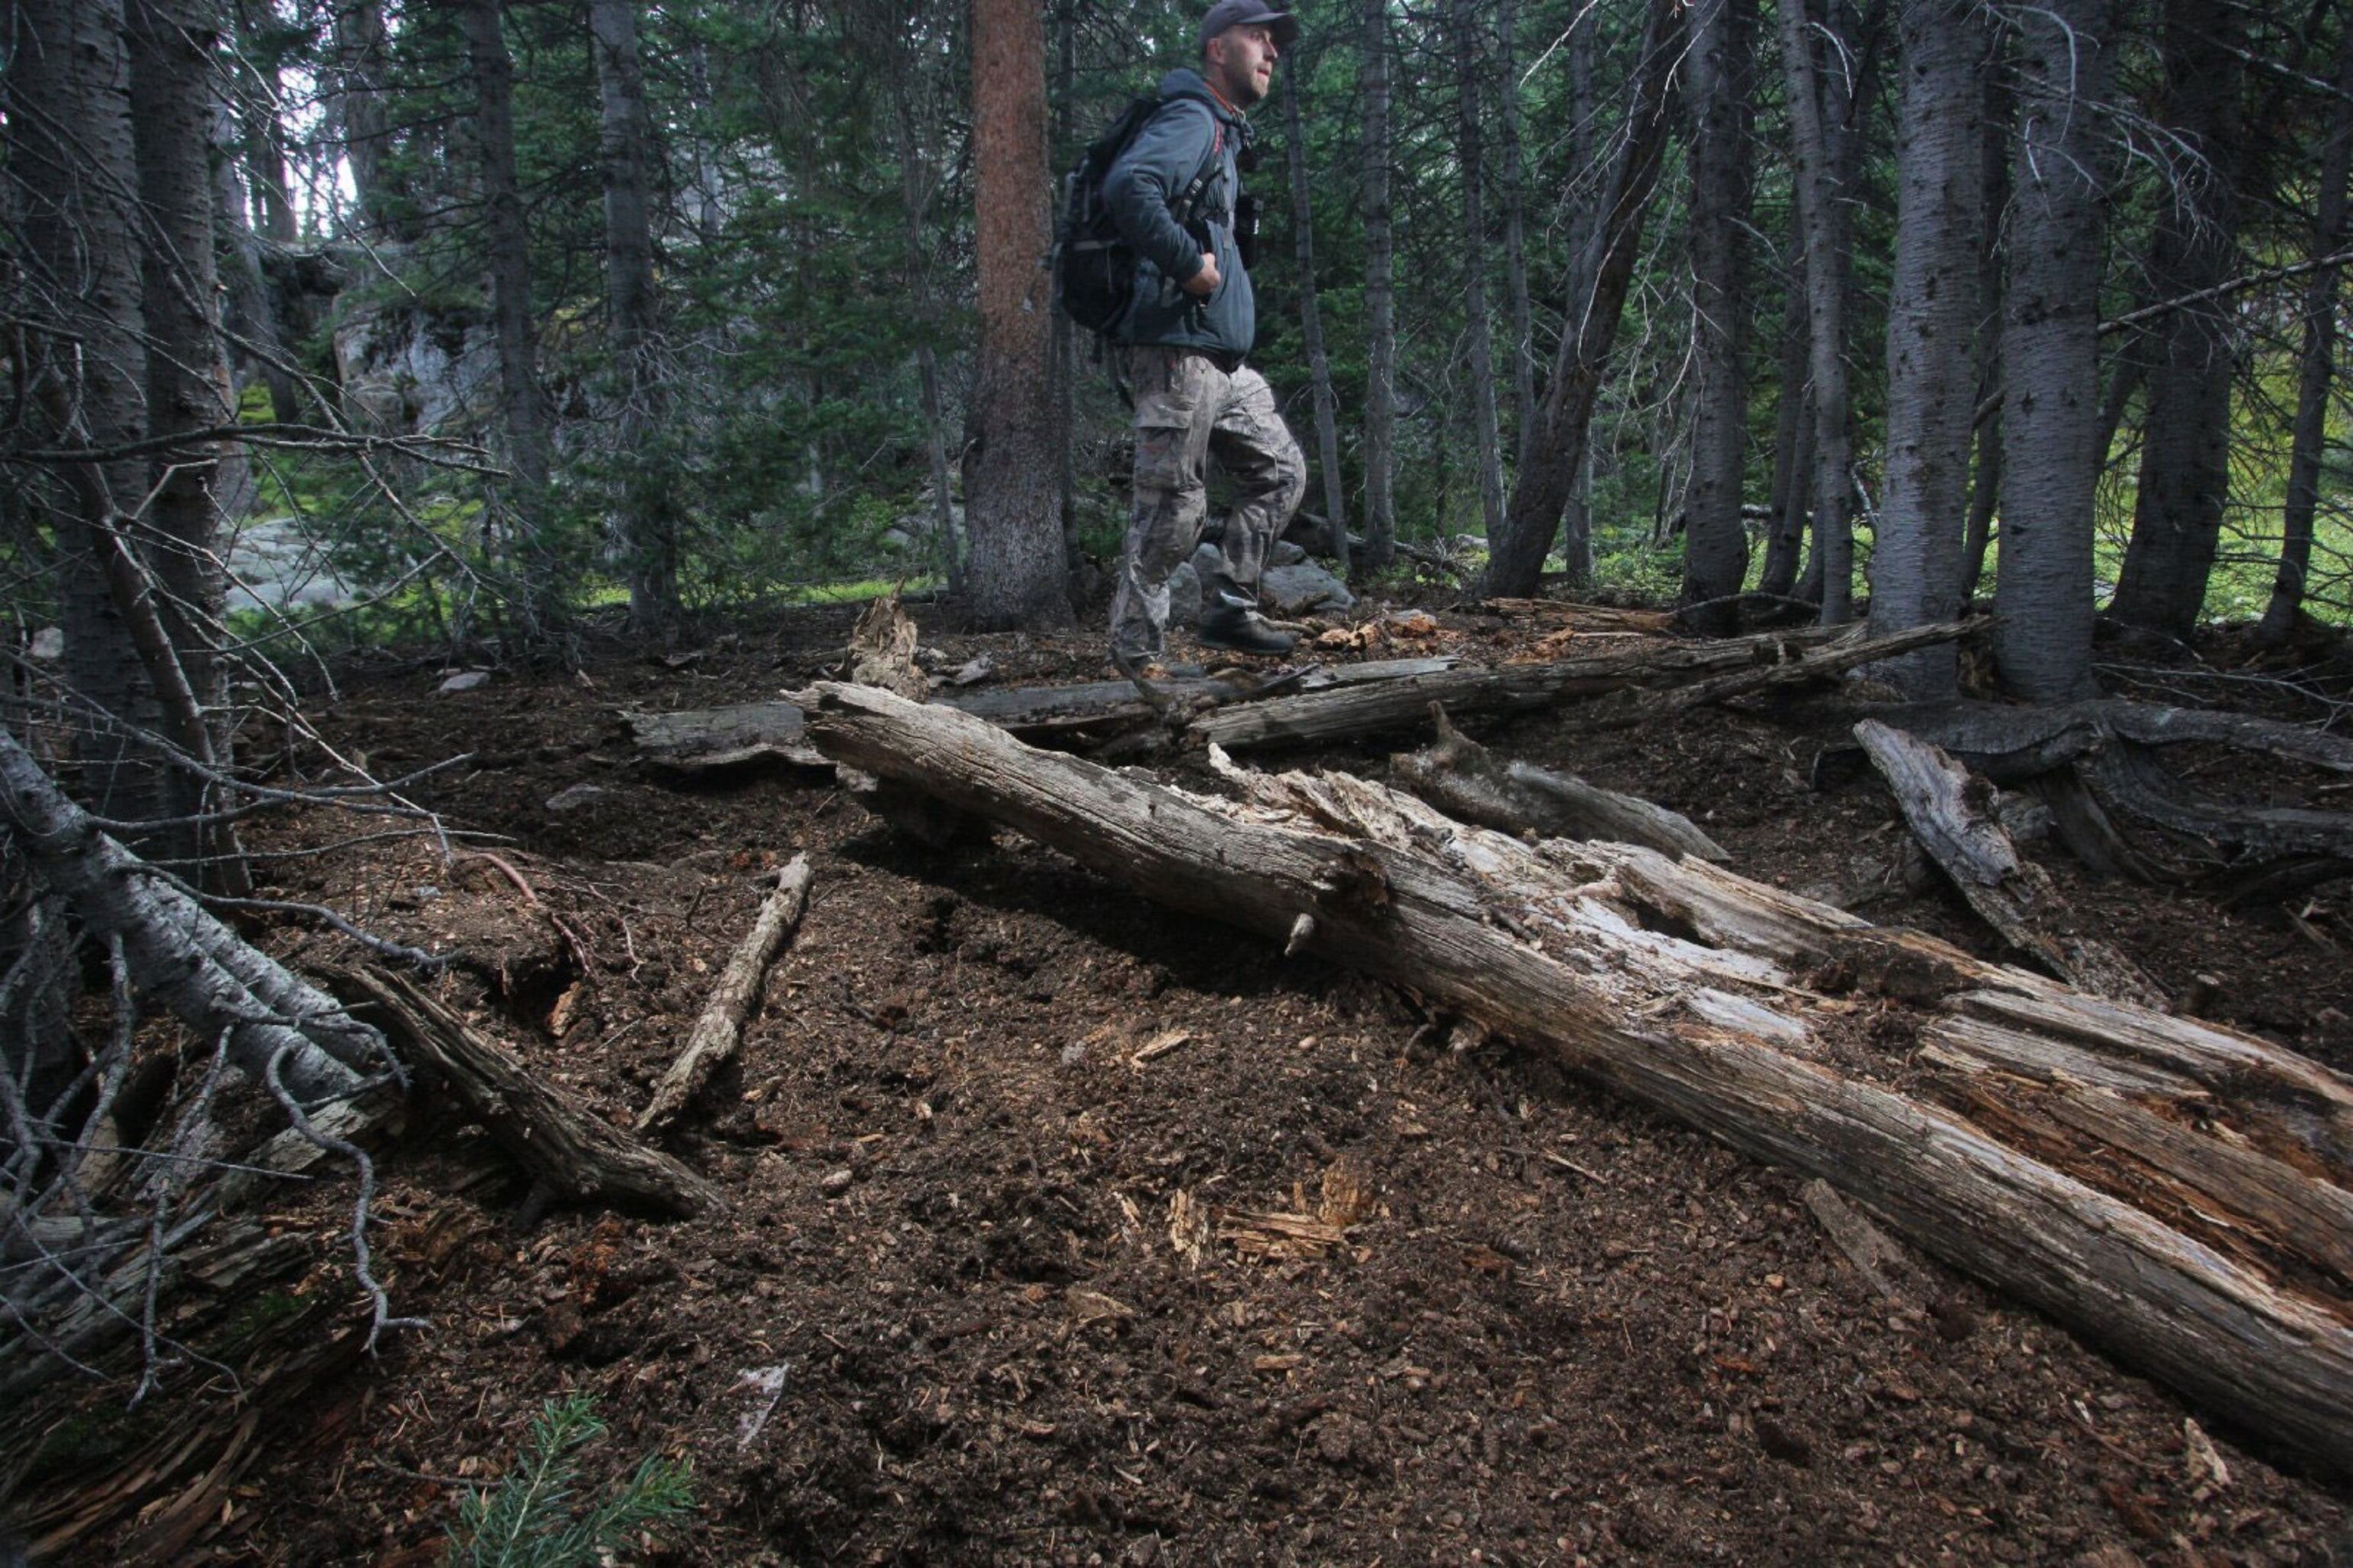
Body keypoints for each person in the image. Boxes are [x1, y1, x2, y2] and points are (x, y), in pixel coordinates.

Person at [1104, 0, 1307, 674]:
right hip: (1175, 352)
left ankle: (1230, 606)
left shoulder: (1222, 131)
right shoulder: (1192, 117)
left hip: (1219, 359)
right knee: (1171, 512)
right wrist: (1190, 266)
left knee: (1279, 472)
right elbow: (1130, 187)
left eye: (1275, 41)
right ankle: (1138, 660)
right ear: (1218, 50)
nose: (1271, 51)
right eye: (1258, 37)